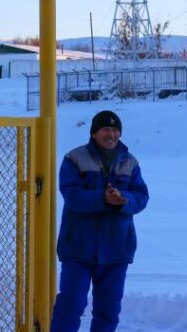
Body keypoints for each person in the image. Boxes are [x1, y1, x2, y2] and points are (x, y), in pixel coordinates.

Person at [52, 110, 149, 332]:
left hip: (116, 248)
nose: (111, 134)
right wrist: (104, 199)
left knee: (108, 311)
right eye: (106, 129)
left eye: (115, 130)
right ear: (94, 133)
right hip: (78, 248)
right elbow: (73, 196)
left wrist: (124, 200)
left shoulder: (130, 162)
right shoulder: (74, 159)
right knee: (71, 306)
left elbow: (141, 197)